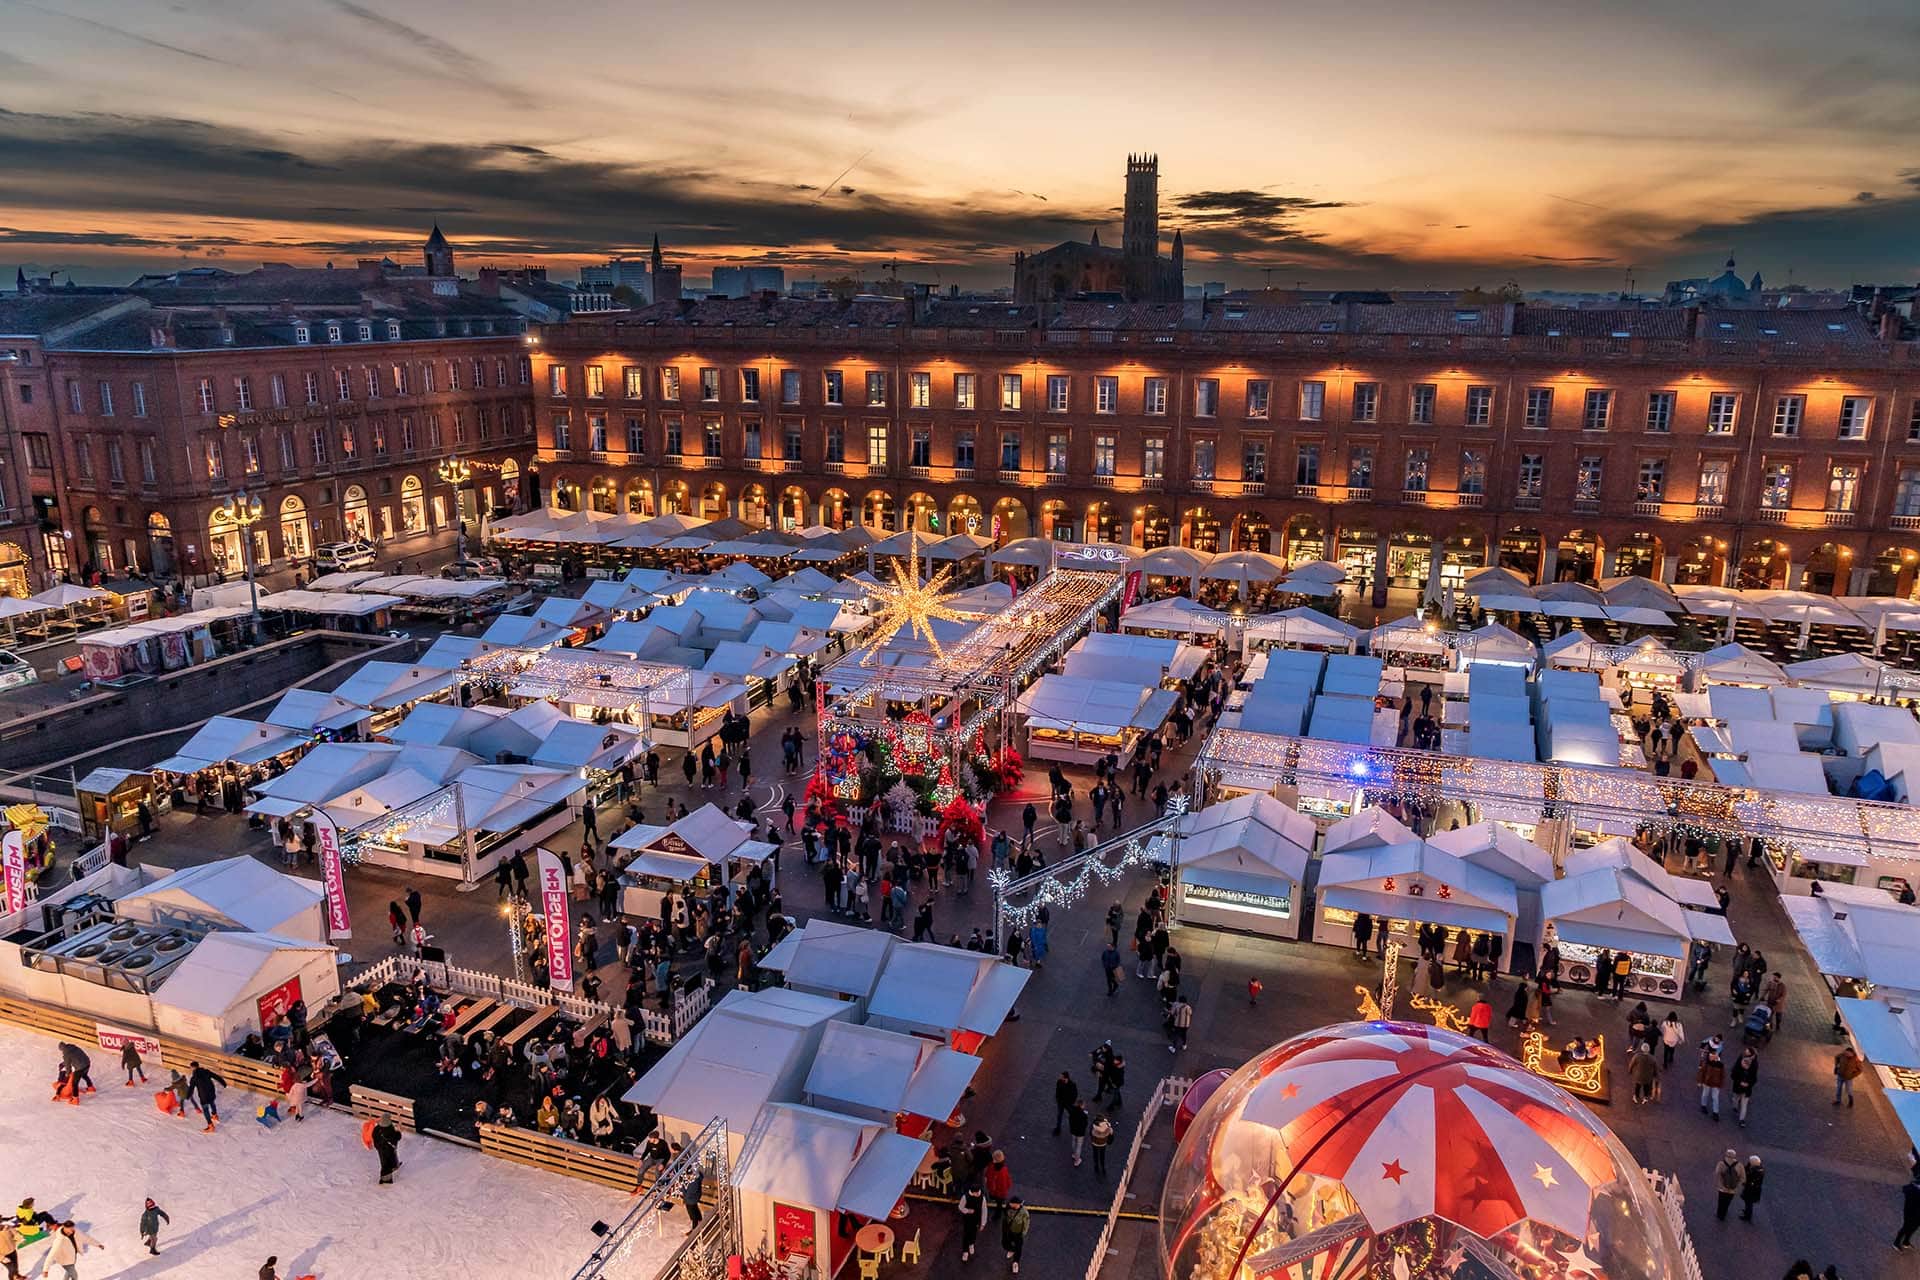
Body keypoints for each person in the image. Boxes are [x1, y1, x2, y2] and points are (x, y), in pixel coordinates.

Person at [188, 1061, 225, 1131]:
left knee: (205, 1110)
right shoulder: (206, 1071)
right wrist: (223, 1083)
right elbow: (216, 1076)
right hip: (211, 1093)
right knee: (212, 1103)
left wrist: (188, 1096)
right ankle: (214, 1115)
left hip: (204, 1097)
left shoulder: (194, 1078)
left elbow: (191, 1088)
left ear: (193, 1068)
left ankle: (210, 1126)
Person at [1697, 1037, 1726, 1120]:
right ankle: (1704, 1106)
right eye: (1710, 1056)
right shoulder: (1707, 1064)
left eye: (1712, 1056)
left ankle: (1715, 1112)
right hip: (1708, 1081)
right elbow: (1702, 1072)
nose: (1711, 1057)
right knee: (1706, 1094)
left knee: (1715, 1097)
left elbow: (1722, 1075)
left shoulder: (1720, 1065)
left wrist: (1721, 1083)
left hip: (1715, 1083)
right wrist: (1700, 1081)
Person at [1731, 1047, 1760, 1126]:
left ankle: (1742, 1120)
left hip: (1747, 1089)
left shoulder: (1754, 1065)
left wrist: (1748, 1084)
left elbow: (1754, 1079)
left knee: (1744, 1104)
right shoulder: (1740, 1062)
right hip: (1738, 1087)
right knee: (1736, 1098)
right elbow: (1733, 1075)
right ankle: (1735, 1106)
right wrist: (1740, 1082)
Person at [956, 1183, 986, 1262]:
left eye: (978, 1192)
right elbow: (960, 1207)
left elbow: (984, 1211)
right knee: (966, 1235)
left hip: (976, 1219)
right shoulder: (965, 1197)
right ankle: (965, 1251)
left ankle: (971, 1244)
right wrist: (967, 1211)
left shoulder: (982, 1198)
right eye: (976, 1193)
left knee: (974, 1232)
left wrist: (983, 1223)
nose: (977, 1194)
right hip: (967, 1220)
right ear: (972, 1192)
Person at [1712, 1149, 1744, 1220]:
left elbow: (1717, 1173)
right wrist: (1737, 1185)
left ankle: (1719, 1214)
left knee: (1721, 1200)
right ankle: (1724, 1213)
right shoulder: (1739, 1165)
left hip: (1722, 1187)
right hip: (1733, 1188)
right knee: (1727, 1201)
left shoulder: (1721, 1163)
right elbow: (1743, 1178)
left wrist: (1719, 1183)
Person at [1002, 1196, 1030, 1274]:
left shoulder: (1024, 1212)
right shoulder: (1008, 1207)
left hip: (1018, 1233)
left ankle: (1015, 1263)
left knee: (1018, 1248)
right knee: (1005, 1242)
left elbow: (1026, 1224)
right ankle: (1011, 1249)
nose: (1019, 1205)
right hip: (1009, 1230)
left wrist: (1023, 1233)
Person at [983, 1150, 1013, 1217]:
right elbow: (1008, 1182)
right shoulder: (1004, 1170)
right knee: (999, 1203)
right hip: (1000, 1193)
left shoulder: (992, 1168)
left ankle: (998, 1215)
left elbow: (989, 1177)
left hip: (998, 1193)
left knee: (999, 1204)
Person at [373, 1117, 403, 1184]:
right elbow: (397, 1137)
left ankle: (394, 1167)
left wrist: (378, 1147)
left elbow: (374, 1137)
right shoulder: (389, 1131)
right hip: (389, 1149)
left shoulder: (377, 1129)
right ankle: (386, 1180)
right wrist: (399, 1130)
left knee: (384, 1161)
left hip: (381, 1149)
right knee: (388, 1163)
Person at [1896, 1170, 1920, 1250]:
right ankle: (1896, 1242)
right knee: (1907, 1225)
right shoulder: (1914, 1187)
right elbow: (1907, 1191)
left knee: (1915, 1226)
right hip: (1911, 1208)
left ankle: (1906, 1242)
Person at [1739, 1154, 1765, 1221]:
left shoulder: (1755, 1171)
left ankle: (1747, 1216)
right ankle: (1747, 1212)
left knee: (1749, 1202)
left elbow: (1748, 1176)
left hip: (1751, 1189)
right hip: (1754, 1189)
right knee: (1748, 1202)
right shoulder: (1760, 1169)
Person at [1089, 1113, 1114, 1177]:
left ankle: (1096, 1166)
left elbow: (1090, 1133)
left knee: (1095, 1155)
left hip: (1095, 1143)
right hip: (1103, 1144)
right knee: (1102, 1156)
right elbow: (1111, 1133)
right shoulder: (1107, 1126)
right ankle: (1103, 1168)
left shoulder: (1093, 1126)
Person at [1066, 1098, 1090, 1166]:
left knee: (1073, 1142)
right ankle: (1077, 1160)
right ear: (1081, 1105)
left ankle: (1074, 1154)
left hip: (1073, 1130)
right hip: (1080, 1132)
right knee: (1079, 1146)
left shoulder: (1072, 1111)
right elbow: (1085, 1124)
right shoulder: (1083, 1115)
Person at [1052, 1071, 1078, 1135]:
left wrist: (1071, 1102)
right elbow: (1057, 1090)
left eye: (1061, 1076)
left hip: (1068, 1103)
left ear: (1065, 1078)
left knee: (1072, 1115)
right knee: (1059, 1116)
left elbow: (1075, 1094)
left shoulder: (1072, 1084)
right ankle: (1058, 1129)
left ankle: (1075, 1127)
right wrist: (1057, 1098)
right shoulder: (1059, 1082)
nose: (1060, 1077)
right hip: (1061, 1102)